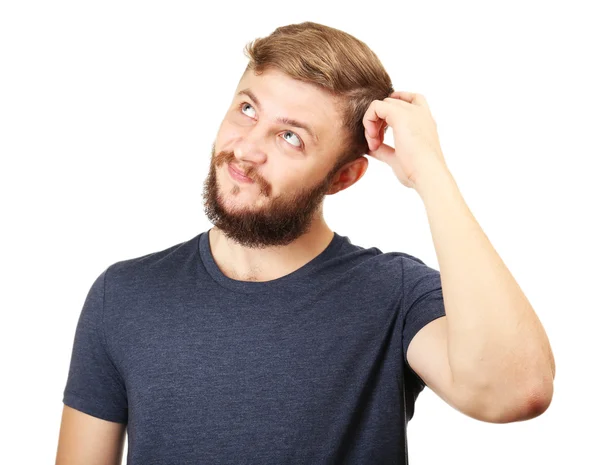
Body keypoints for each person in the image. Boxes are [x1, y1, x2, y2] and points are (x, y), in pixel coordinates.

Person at [56, 21, 555, 465]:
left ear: (344, 177)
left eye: (290, 136)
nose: (246, 150)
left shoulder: (396, 296)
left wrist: (431, 174)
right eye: (247, 108)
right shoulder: (122, 295)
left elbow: (519, 391)